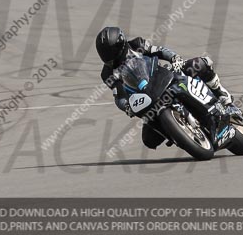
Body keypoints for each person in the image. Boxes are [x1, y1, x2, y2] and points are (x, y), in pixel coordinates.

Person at [95, 26, 233, 150]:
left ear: (121, 44)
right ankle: (177, 133)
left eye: (109, 52)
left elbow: (160, 51)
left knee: (199, 64)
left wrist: (174, 59)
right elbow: (118, 95)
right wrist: (126, 106)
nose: (108, 58)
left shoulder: (136, 44)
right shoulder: (107, 73)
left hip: (162, 77)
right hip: (145, 99)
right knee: (149, 140)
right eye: (104, 54)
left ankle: (221, 93)